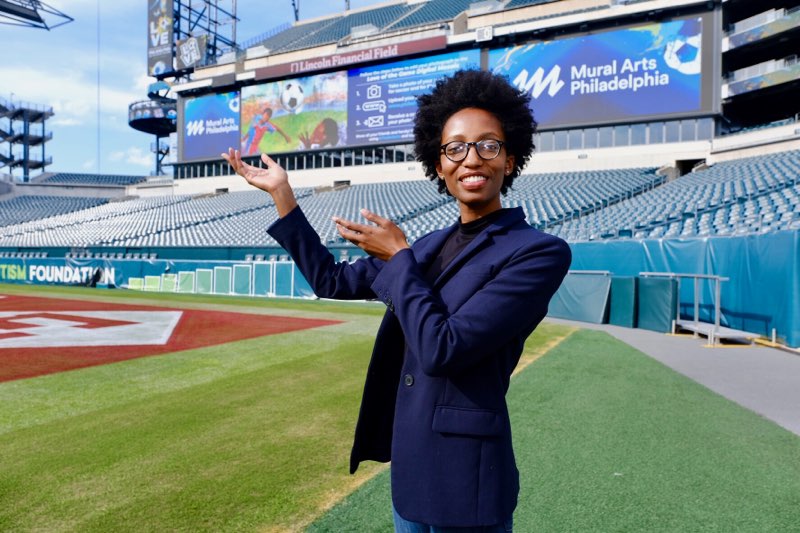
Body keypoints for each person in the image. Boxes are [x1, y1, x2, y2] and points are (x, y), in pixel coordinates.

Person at [222, 69, 571, 532]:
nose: (472, 159)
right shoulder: (425, 246)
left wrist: (399, 256)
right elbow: (332, 281)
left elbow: (443, 348)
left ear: (510, 160)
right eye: (455, 148)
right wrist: (284, 197)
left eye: (489, 145)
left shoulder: (537, 252)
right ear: (439, 163)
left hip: (469, 478)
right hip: (411, 468)